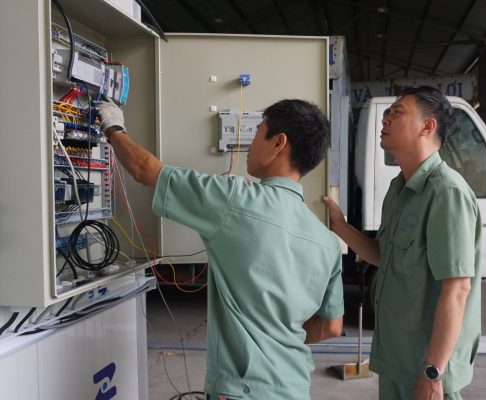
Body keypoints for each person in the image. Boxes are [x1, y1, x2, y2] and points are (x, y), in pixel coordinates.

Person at [99, 98, 344, 400]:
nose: (250, 145)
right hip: (294, 387)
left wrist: (113, 127)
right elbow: (332, 326)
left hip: (242, 390)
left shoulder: (234, 199)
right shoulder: (327, 242)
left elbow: (144, 169)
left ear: (279, 143)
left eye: (257, 133)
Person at [323, 86, 481, 400]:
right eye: (387, 113)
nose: (386, 119)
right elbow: (383, 255)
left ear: (427, 126)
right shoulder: (399, 188)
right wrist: (340, 227)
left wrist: (433, 371)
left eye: (397, 113)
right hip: (397, 358)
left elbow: (457, 289)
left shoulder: (446, 193)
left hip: (426, 364)